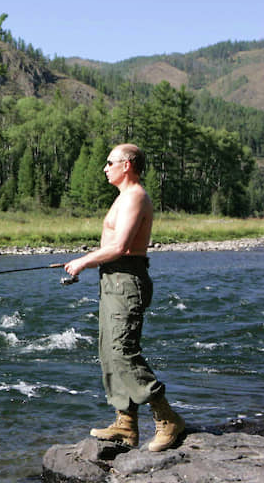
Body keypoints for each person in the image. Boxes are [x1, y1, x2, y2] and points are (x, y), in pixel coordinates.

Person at [64, 143, 185, 452]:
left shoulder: (135, 197)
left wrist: (82, 261)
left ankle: (167, 418)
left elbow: (120, 246)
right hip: (112, 279)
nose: (105, 168)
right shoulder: (123, 198)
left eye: (110, 162)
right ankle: (125, 424)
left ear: (127, 165)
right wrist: (91, 261)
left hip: (126, 279)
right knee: (108, 350)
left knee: (122, 350)